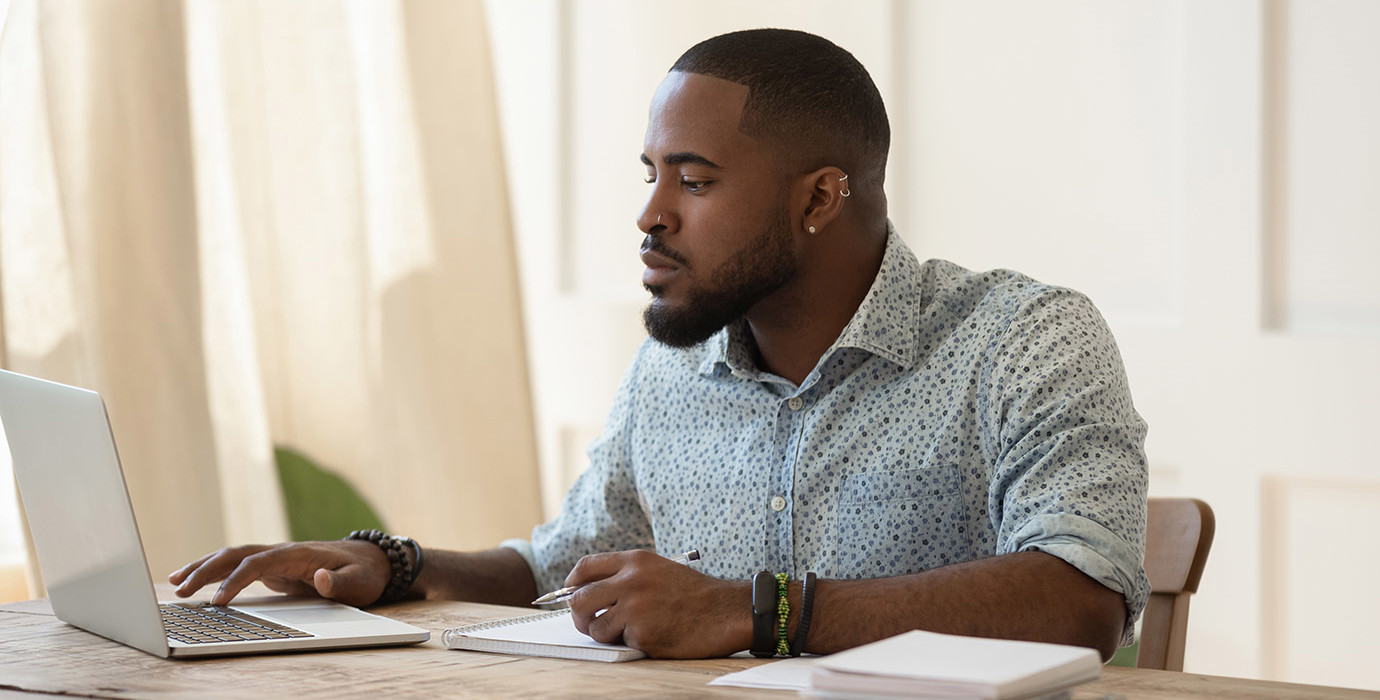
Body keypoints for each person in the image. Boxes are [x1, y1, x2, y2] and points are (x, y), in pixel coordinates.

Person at [171, 28, 1149, 662]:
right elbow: (563, 563)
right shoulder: (674, 364)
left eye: (695, 179)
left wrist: (757, 611)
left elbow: (1079, 598)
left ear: (818, 198)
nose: (649, 215)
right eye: (651, 173)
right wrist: (396, 561)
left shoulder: (1024, 339)